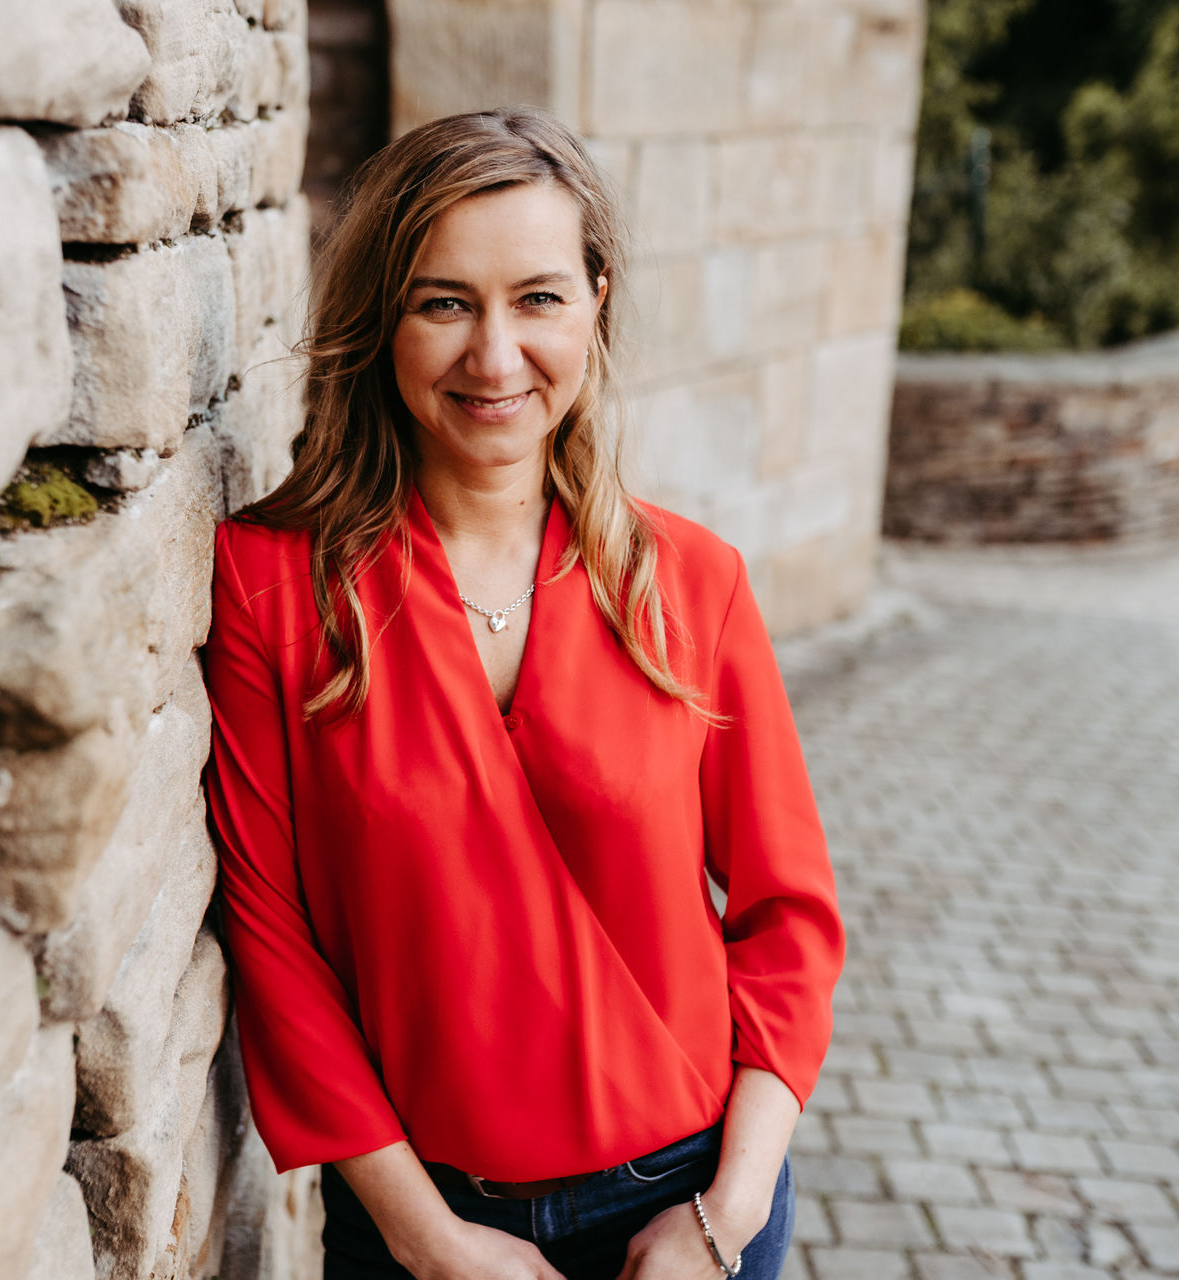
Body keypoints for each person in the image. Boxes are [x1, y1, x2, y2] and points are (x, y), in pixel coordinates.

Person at [201, 106, 845, 1280]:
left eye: (538, 297)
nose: (494, 358)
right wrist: (423, 1233)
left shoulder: (693, 584)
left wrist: (730, 1209)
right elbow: (271, 933)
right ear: (380, 319)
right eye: (444, 301)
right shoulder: (271, 588)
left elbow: (787, 920)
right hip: (417, 1221)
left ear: (597, 300)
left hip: (690, 1206)